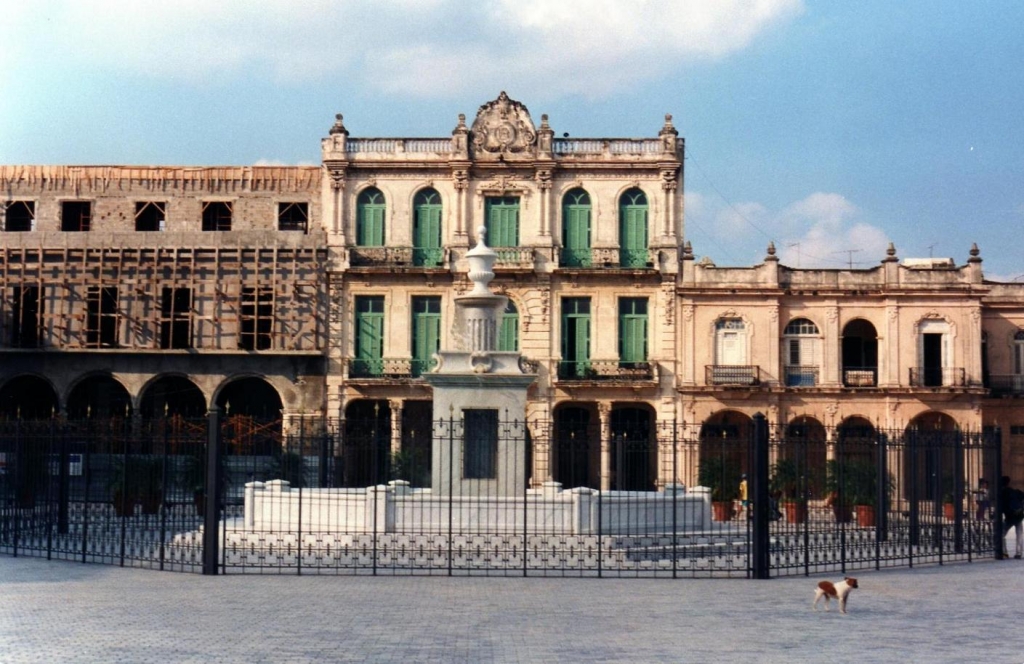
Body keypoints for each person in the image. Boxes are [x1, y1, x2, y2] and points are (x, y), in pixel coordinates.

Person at [999, 475, 1024, 559]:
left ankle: (1004, 552)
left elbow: (1002, 506)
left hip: (1009, 517)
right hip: (1019, 515)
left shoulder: (1002, 493)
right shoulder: (1015, 491)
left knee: (1001, 534)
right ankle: (1019, 552)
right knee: (1019, 534)